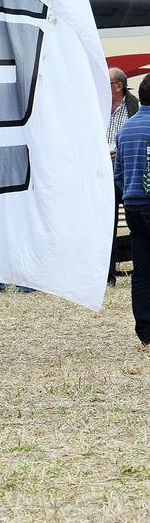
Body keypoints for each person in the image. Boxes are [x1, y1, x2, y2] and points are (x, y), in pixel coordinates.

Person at [114, 77, 150, 350]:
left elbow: (119, 175)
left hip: (133, 204)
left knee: (141, 270)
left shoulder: (125, 130)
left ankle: (145, 332)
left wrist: (130, 192)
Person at [108, 68, 140, 284]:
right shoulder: (98, 106)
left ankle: (139, 272)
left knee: (135, 223)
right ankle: (107, 276)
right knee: (106, 226)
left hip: (126, 173)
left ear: (118, 86)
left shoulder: (135, 107)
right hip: (104, 174)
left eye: (107, 82)